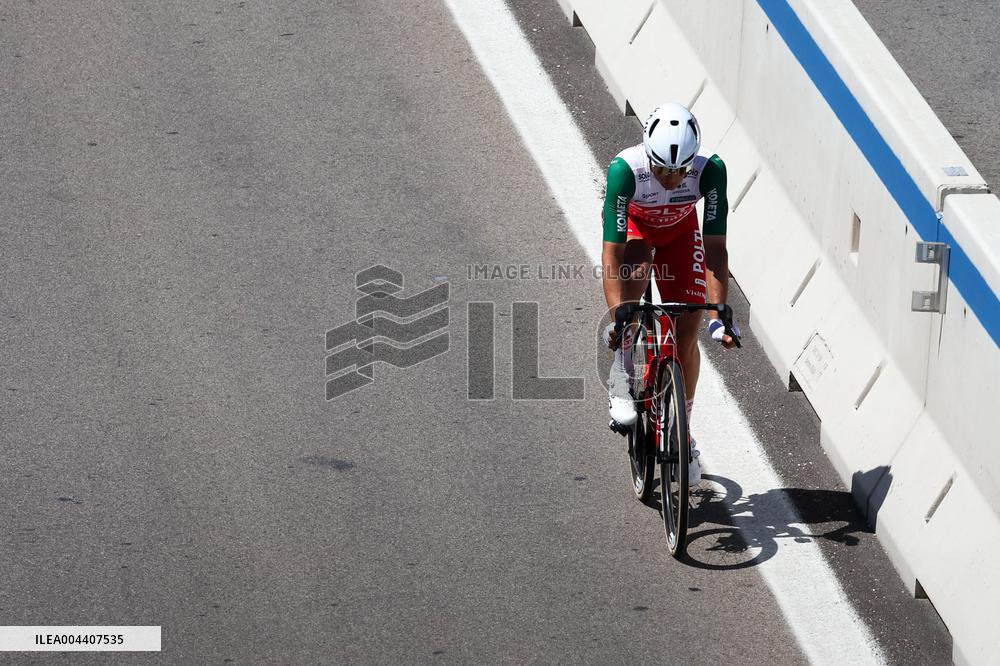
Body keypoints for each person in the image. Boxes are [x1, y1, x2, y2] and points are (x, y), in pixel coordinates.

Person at [601, 102, 739, 483]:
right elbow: (611, 256)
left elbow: (715, 250)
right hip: (635, 229)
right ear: (648, 155)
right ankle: (622, 369)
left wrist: (718, 315)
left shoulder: (711, 172)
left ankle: (683, 432)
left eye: (680, 171)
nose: (671, 178)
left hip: (680, 233)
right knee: (640, 269)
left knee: (688, 331)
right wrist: (619, 313)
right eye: (662, 169)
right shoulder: (625, 172)